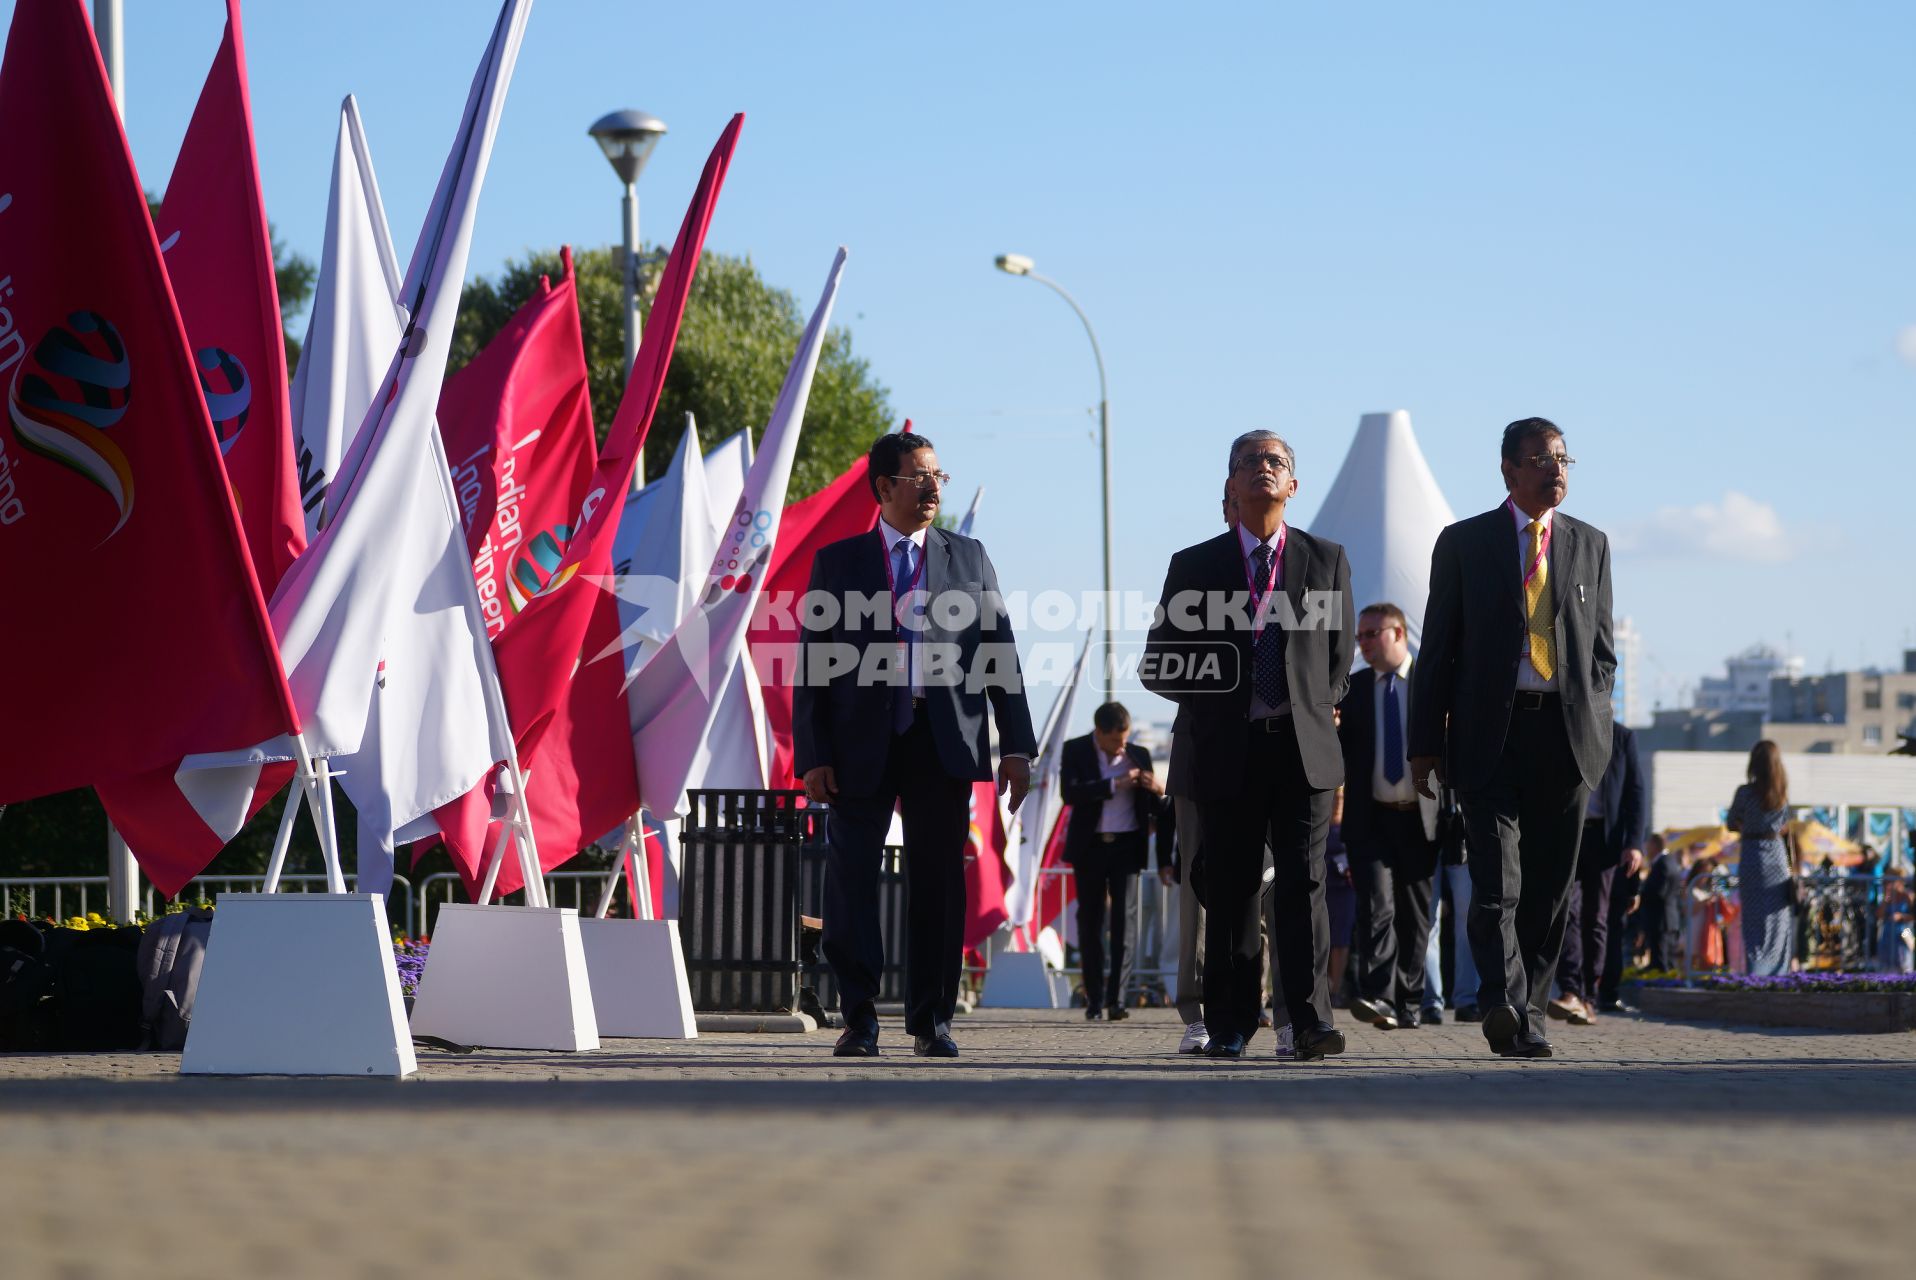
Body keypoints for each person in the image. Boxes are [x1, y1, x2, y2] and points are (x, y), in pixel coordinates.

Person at [796, 430, 1037, 1059]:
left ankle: (932, 1022)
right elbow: (814, 666)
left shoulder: (969, 558)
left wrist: (1017, 746)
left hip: (942, 742)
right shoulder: (839, 562)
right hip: (857, 747)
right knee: (851, 882)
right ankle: (860, 1019)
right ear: (883, 487)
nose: (932, 487)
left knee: (938, 886)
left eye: (938, 477)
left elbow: (1000, 654)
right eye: (918, 476)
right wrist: (814, 753)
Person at [1144, 430, 1355, 1062]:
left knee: (1303, 885)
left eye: (1276, 462)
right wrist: (1220, 689)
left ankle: (1310, 1022)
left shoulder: (1326, 560)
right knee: (1231, 890)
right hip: (1226, 751)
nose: (1263, 469)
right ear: (1230, 485)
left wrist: (1309, 706)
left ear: (1294, 485)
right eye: (1249, 462)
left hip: (1302, 750)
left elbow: (1338, 662)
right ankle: (1231, 1023)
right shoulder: (1196, 566)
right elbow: (1160, 665)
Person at [1409, 417, 1616, 1059]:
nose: (1554, 468)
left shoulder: (1591, 544)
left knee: (1551, 886)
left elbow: (1603, 651)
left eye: (1562, 458)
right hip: (1487, 735)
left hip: (1565, 736)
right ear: (1507, 470)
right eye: (1538, 458)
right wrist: (1424, 743)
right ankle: (1501, 999)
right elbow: (1437, 648)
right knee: (1497, 880)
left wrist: (1597, 718)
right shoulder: (1465, 542)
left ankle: (1531, 1014)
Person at [1336, 602, 1441, 1030]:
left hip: (1420, 818)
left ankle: (1410, 1000)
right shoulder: (1354, 689)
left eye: (1371, 634)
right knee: (1376, 906)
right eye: (1359, 636)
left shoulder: (1430, 685)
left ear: (1398, 633)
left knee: (1415, 915)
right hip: (1371, 818)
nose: (1362, 644)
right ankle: (1379, 996)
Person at [1059, 701, 1160, 1020]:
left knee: (1124, 923)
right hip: (1089, 847)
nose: (1122, 746)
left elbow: (1154, 800)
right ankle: (1094, 999)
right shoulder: (1075, 750)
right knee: (1090, 922)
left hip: (1127, 847)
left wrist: (1154, 788)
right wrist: (1114, 785)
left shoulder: (1139, 755)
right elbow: (1070, 793)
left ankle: (1117, 999)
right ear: (1099, 734)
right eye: (1116, 740)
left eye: (1125, 738)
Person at [1550, 720, 1646, 1025]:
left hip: (1605, 841)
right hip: (1569, 834)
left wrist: (1634, 844)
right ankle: (1570, 990)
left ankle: (1590, 996)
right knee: (1565, 912)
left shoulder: (1622, 738)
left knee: (1596, 919)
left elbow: (1635, 793)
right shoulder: (1565, 728)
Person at [1725, 740, 1793, 977]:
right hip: (1776, 856)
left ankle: (1757, 970)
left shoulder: (1744, 792)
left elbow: (1731, 821)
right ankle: (1778, 970)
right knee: (1777, 918)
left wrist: (1745, 824)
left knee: (1754, 918)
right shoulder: (1782, 794)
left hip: (1753, 855)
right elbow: (1784, 825)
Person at [1421, 788, 1481, 1023]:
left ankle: (1467, 999)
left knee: (1468, 919)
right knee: (1427, 918)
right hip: (1426, 823)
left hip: (1464, 826)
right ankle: (1430, 1001)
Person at [1598, 830, 1658, 1011]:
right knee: (1612, 944)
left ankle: (1587, 994)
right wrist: (1634, 891)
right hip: (1616, 893)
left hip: (1601, 889)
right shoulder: (1625, 831)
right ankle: (1607, 995)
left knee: (1598, 939)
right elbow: (1633, 862)